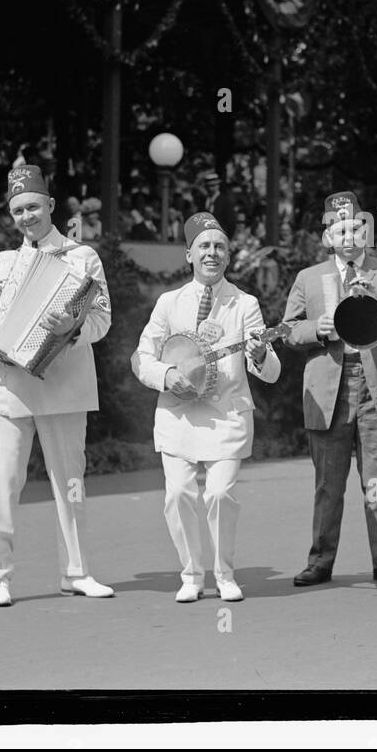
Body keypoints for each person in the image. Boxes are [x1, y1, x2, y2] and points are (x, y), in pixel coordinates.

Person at [0, 165, 115, 607]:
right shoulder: (6, 261)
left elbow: (103, 320)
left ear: (50, 205)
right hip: (9, 383)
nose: (26, 216)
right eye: (17, 211)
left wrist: (73, 326)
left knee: (71, 481)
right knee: (1, 481)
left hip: (63, 383)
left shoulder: (82, 258)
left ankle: (77, 572)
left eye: (33, 207)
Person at [131, 212, 281, 603]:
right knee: (178, 493)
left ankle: (224, 573)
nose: (212, 253)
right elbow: (141, 356)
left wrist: (261, 353)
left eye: (220, 247)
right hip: (177, 416)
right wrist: (166, 376)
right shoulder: (168, 303)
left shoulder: (244, 304)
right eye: (204, 247)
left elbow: (269, 371)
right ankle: (192, 573)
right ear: (189, 255)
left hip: (226, 415)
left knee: (218, 494)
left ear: (228, 257)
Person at [282, 191, 377, 587]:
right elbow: (288, 329)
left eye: (355, 227)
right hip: (330, 387)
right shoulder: (308, 279)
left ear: (367, 230)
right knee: (328, 483)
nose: (348, 236)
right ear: (327, 236)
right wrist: (317, 328)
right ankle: (320, 560)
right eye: (339, 229)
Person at [201, 170, 240, 240]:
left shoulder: (225, 201)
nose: (210, 188)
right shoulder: (204, 200)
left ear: (218, 185)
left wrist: (227, 238)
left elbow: (231, 222)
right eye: (208, 186)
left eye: (213, 185)